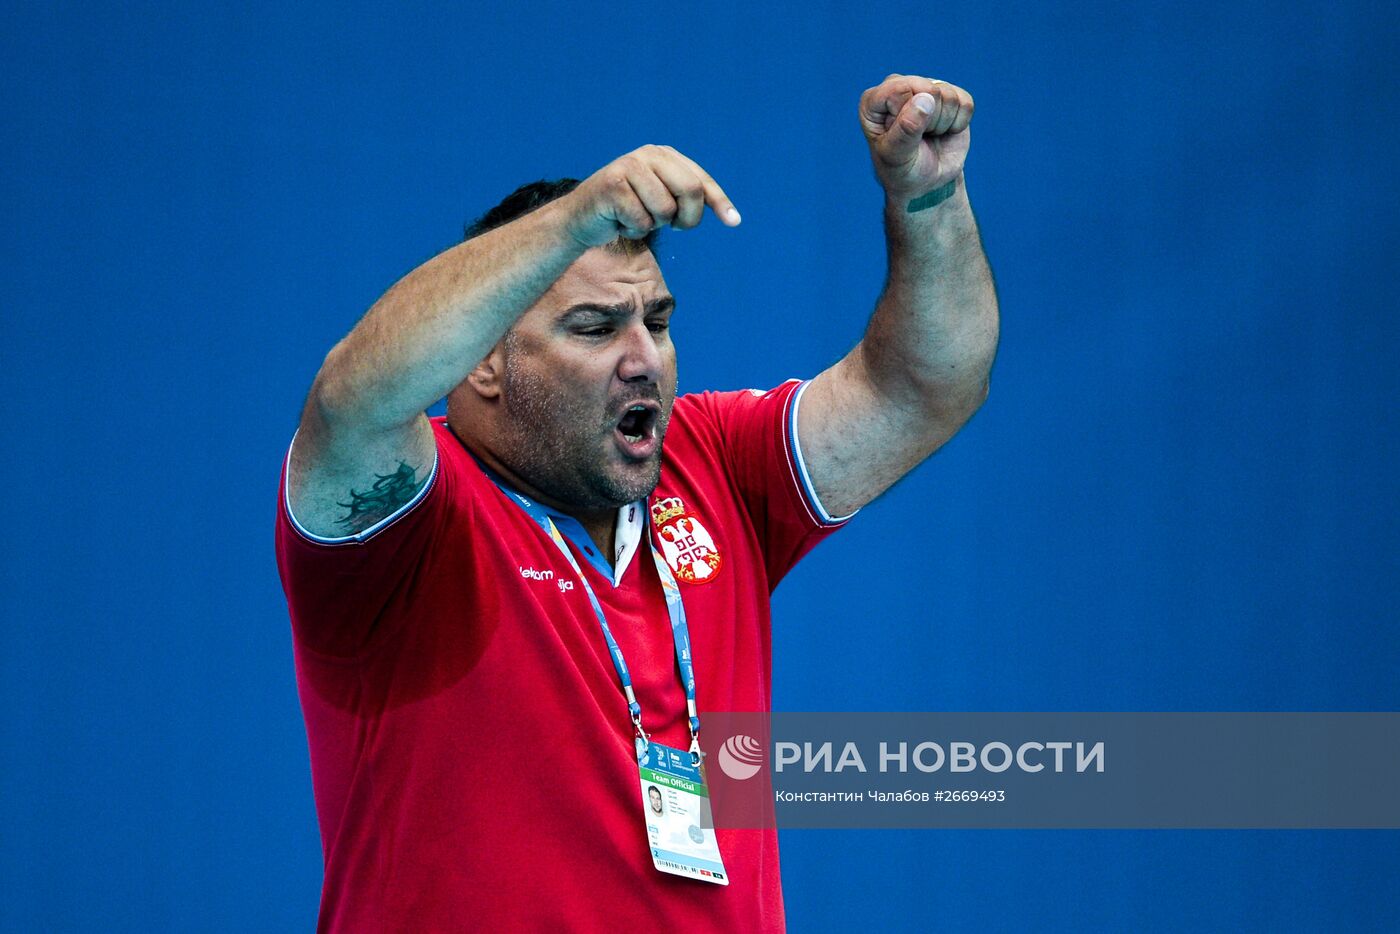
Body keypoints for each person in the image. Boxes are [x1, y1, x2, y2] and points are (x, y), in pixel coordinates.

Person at [275, 74, 997, 933]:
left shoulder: (715, 465)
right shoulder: (400, 531)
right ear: (481, 363)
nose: (643, 358)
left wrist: (930, 196)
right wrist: (578, 216)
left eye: (656, 321)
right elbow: (351, 396)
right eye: (593, 327)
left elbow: (926, 385)